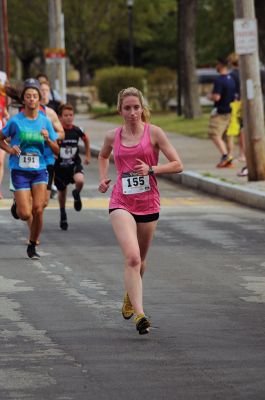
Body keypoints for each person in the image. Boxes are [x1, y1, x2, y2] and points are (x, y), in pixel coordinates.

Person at [98, 87, 183, 335]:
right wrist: (103, 178)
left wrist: (152, 169)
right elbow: (103, 156)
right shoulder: (112, 136)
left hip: (148, 203)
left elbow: (178, 164)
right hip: (121, 202)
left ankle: (130, 295)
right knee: (133, 257)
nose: (133, 112)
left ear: (142, 108)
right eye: (127, 108)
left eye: (136, 107)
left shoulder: (154, 133)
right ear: (120, 110)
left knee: (141, 262)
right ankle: (140, 315)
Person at [0, 78, 59, 259]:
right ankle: (19, 203)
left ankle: (32, 244)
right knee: (25, 214)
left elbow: (57, 149)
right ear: (24, 100)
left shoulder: (45, 121)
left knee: (39, 209)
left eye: (35, 96)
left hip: (39, 169)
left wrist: (48, 139)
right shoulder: (16, 121)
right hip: (20, 170)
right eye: (28, 96)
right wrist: (10, 149)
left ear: (39, 100)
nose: (32, 99)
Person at [54, 103, 90, 231]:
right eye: (66, 115)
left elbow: (86, 140)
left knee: (80, 180)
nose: (69, 118)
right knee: (62, 193)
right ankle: (63, 214)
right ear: (59, 117)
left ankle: (76, 193)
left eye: (71, 115)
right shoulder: (57, 132)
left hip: (74, 163)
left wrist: (87, 155)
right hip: (59, 166)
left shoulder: (77, 130)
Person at [208, 57, 236, 168]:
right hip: (230, 111)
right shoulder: (231, 79)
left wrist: (209, 96)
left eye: (217, 64)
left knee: (214, 134)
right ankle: (230, 158)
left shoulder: (219, 80)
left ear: (221, 65)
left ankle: (225, 156)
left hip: (220, 112)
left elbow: (217, 97)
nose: (216, 66)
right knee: (228, 136)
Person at [0, 71, 9, 198]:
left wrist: (6, 116)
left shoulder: (2, 98)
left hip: (1, 132)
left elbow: (4, 112)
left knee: (0, 162)